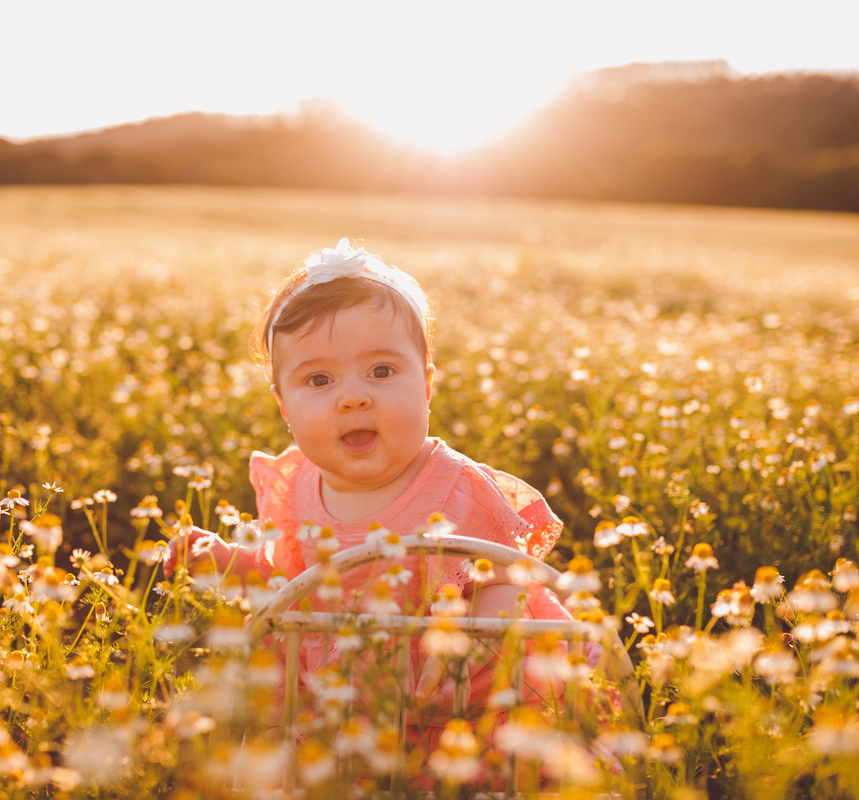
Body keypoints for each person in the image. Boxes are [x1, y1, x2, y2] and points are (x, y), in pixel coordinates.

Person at [165, 238, 589, 746]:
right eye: (319, 380)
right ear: (284, 408)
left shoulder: (456, 488)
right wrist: (230, 561)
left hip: (459, 713)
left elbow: (505, 582)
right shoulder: (297, 485)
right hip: (347, 714)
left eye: (382, 371)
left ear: (427, 384)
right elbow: (290, 580)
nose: (354, 397)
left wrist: (470, 637)